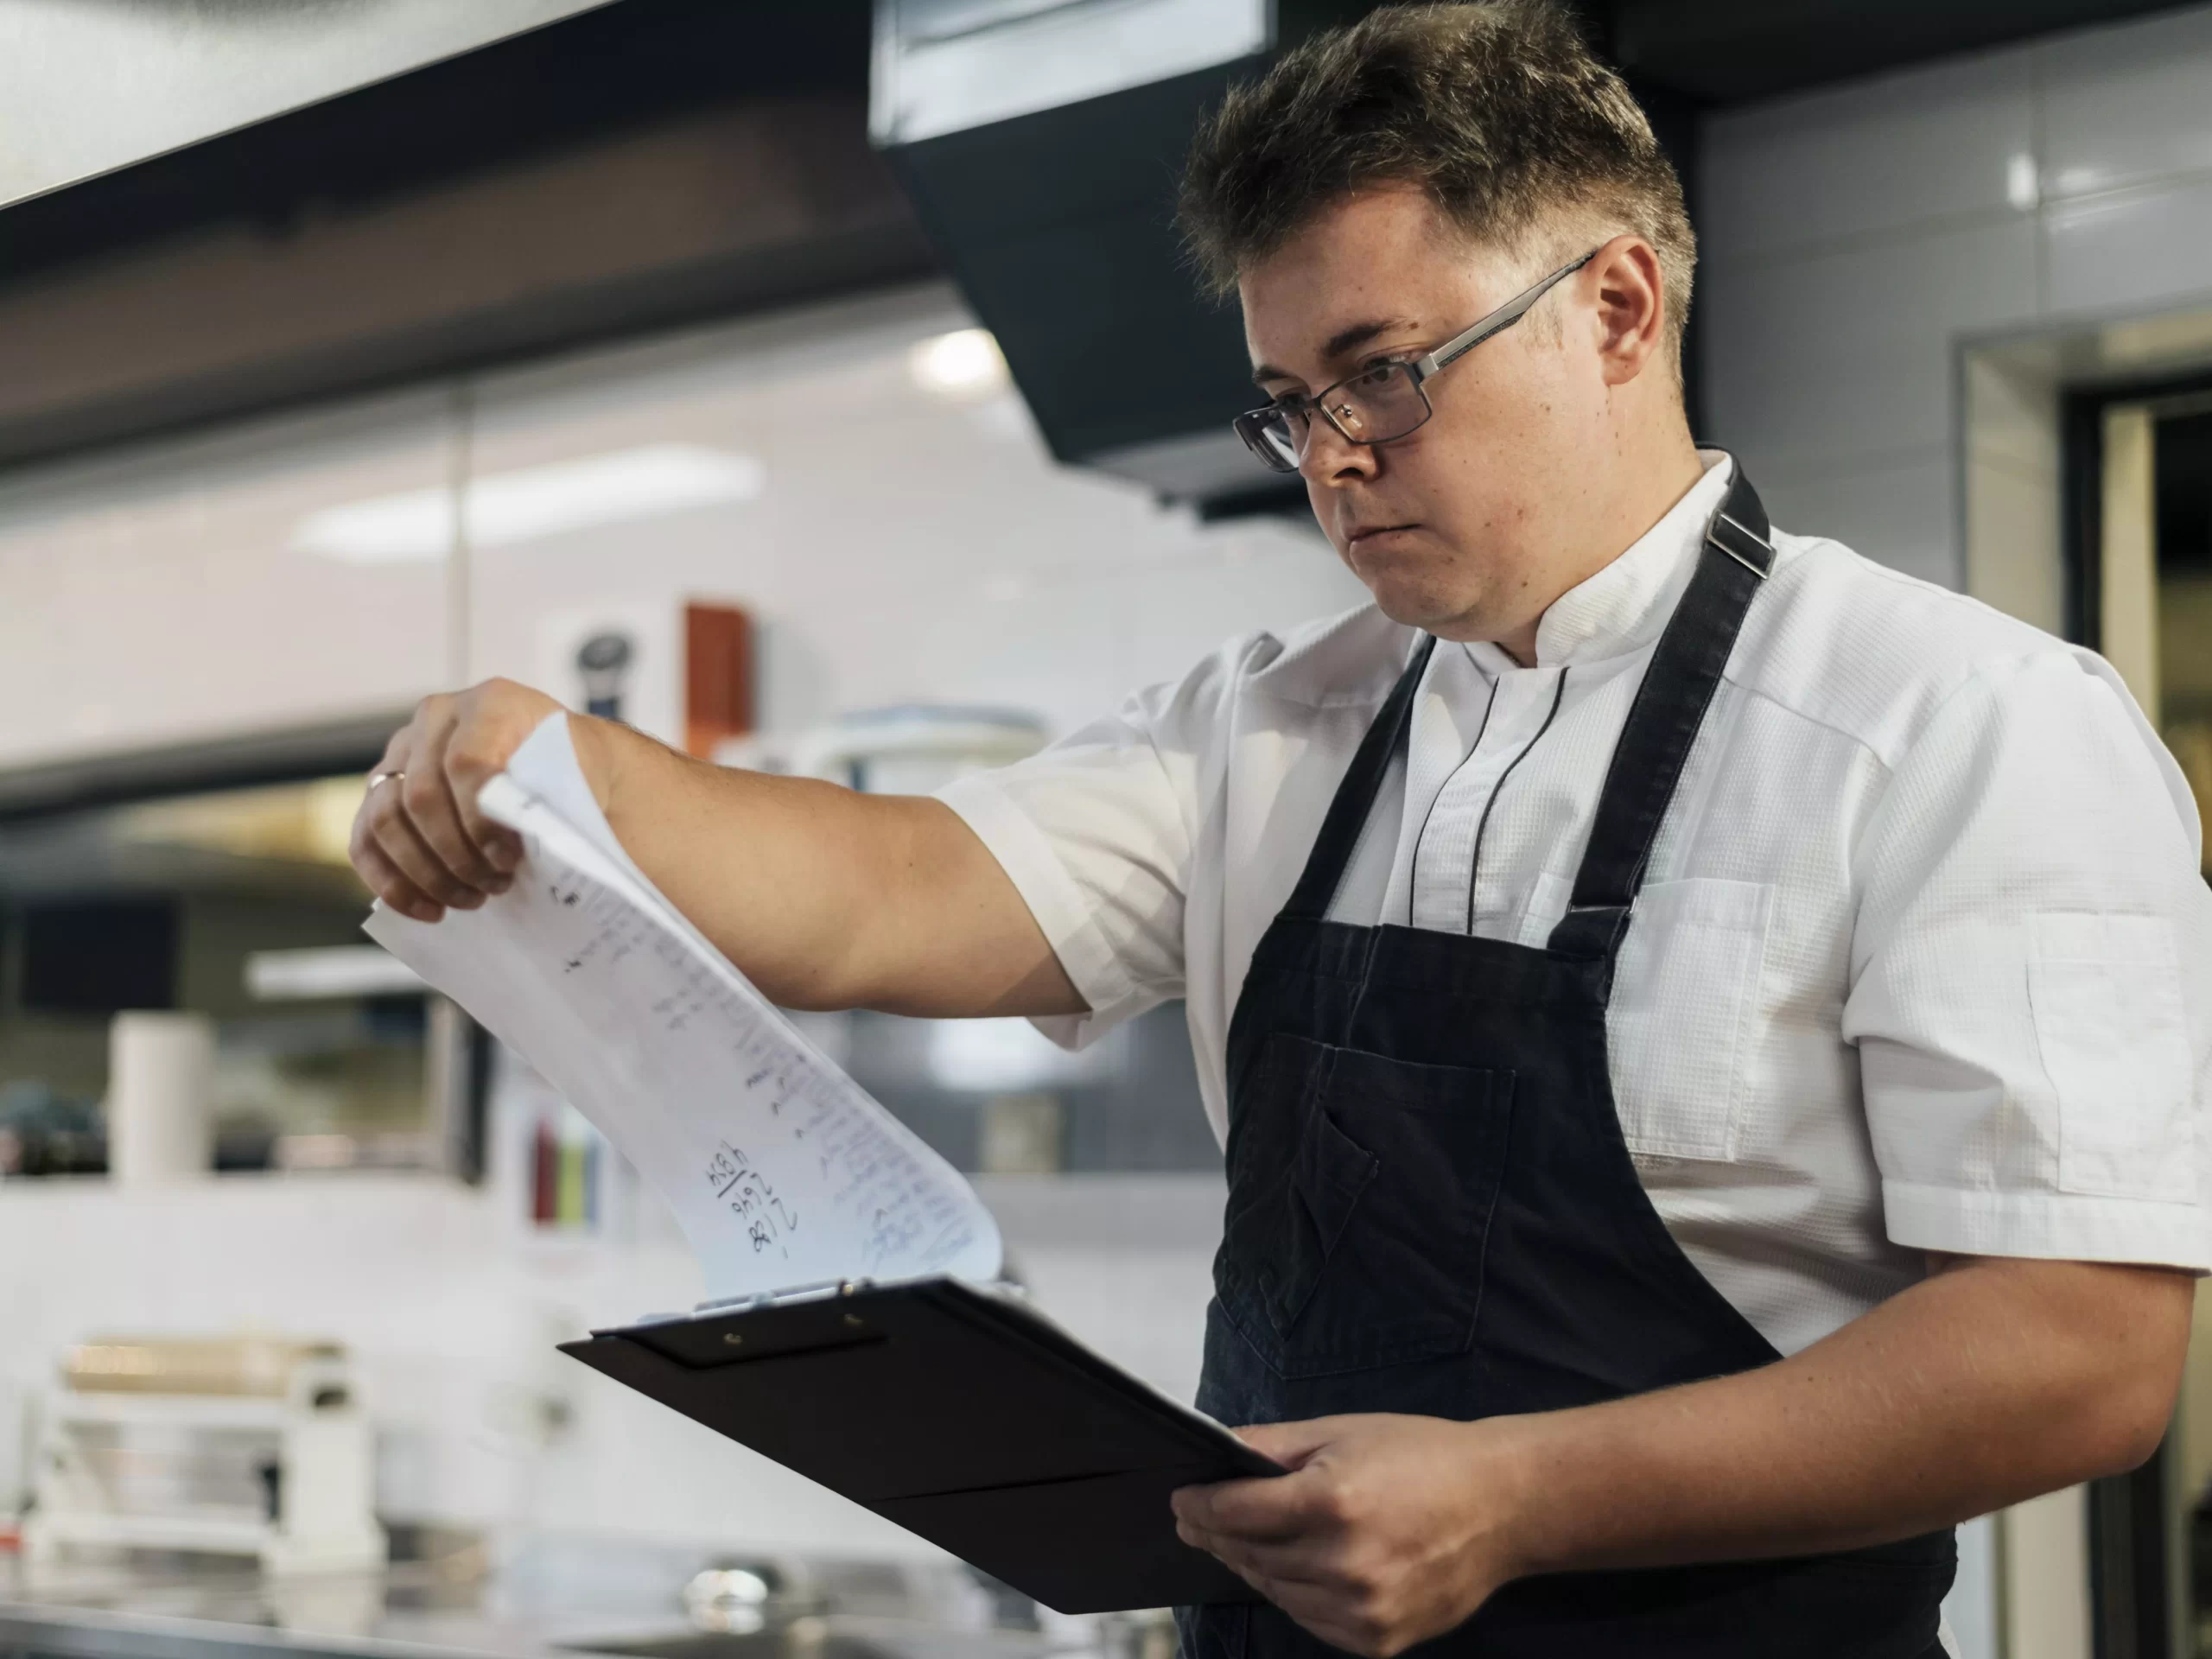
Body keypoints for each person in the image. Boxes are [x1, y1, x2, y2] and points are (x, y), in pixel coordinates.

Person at [349, 3, 2210, 1654]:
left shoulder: (1954, 723)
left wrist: (1513, 1500)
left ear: (1616, 308)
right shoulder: (1268, 728)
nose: (1329, 459)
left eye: (1382, 372)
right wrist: (554, 780)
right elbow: (887, 897)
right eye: (1288, 404)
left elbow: (2074, 1350)